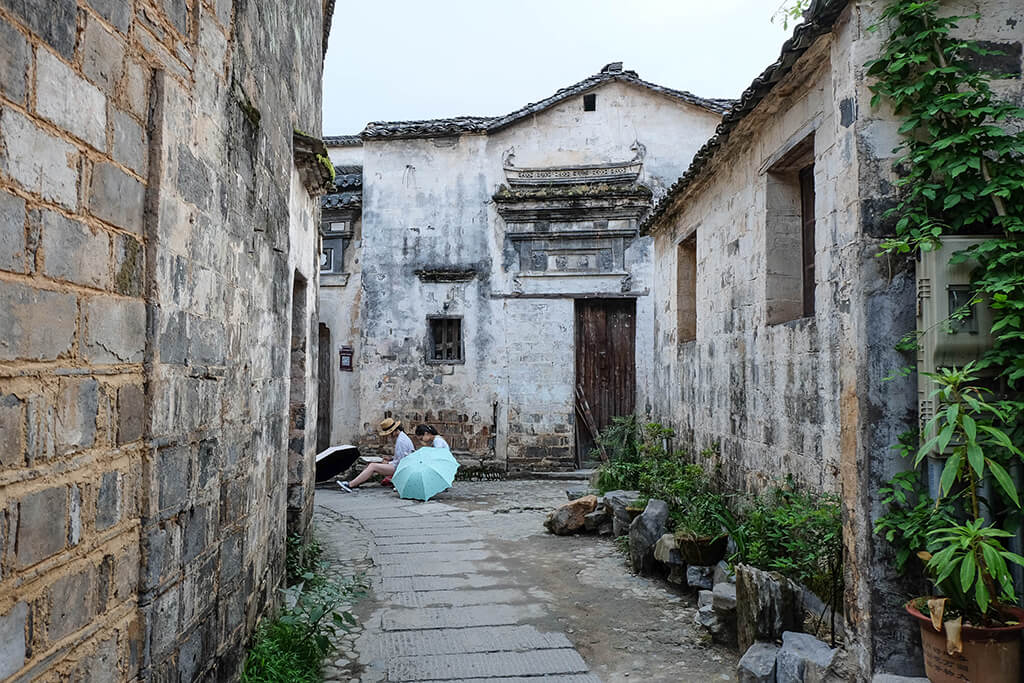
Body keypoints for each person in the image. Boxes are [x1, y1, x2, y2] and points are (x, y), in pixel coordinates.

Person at [337, 418, 413, 492]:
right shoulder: (402, 437)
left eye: (390, 434)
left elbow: (400, 463)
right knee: (372, 465)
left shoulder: (401, 441)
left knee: (372, 466)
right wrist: (390, 459)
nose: (390, 436)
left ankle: (350, 485)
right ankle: (355, 483)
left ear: (395, 431)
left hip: (400, 468)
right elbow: (401, 457)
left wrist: (388, 463)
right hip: (400, 465)